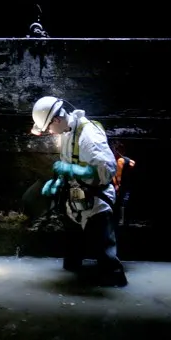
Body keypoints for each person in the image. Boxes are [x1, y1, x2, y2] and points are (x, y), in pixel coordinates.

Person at [31, 96, 128, 287]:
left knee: (105, 254)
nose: (49, 132)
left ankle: (115, 284)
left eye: (49, 128)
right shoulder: (66, 132)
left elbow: (106, 171)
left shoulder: (89, 135)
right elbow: (68, 162)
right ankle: (74, 279)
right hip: (76, 200)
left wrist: (73, 170)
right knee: (71, 257)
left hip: (97, 199)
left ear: (56, 120)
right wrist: (57, 181)